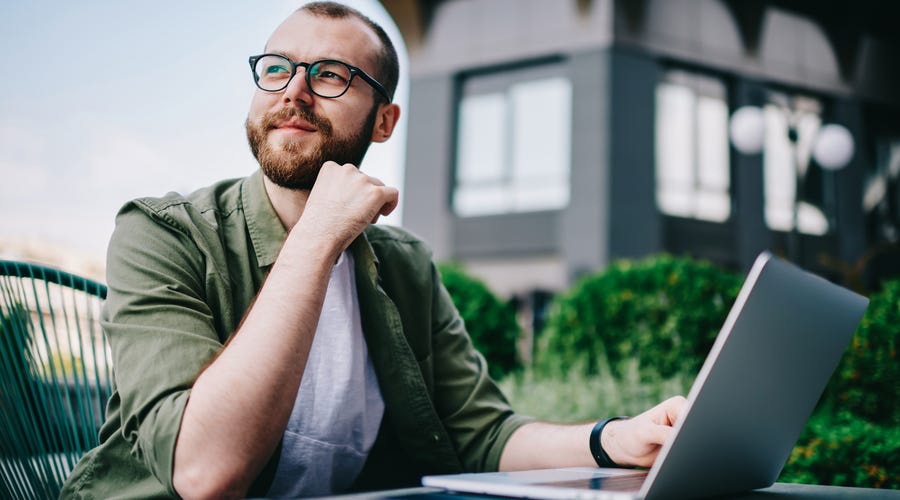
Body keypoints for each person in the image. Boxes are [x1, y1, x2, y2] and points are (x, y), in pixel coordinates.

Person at [61, 2, 685, 499]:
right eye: (277, 68)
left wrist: (613, 440)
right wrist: (317, 236)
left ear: (384, 122)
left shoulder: (405, 264)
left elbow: (484, 434)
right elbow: (203, 474)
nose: (294, 92)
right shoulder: (163, 233)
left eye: (330, 75)